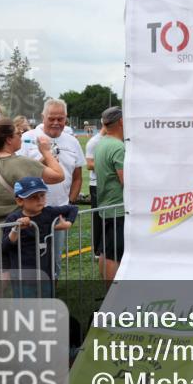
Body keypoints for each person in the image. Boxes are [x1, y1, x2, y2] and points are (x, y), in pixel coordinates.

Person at [0, 119, 64, 295]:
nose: (21, 137)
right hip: (20, 238)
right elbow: (58, 175)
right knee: (26, 290)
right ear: (8, 139)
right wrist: (46, 152)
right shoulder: (23, 163)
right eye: (18, 134)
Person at [18, 99, 83, 279]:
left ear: (66, 119)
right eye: (51, 118)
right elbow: (19, 174)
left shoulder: (72, 142)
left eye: (60, 119)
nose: (56, 123)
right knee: (29, 260)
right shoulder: (27, 138)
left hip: (57, 213)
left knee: (54, 262)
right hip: (29, 214)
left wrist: (69, 202)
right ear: (43, 117)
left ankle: (52, 295)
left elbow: (77, 176)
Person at [1, 177, 77, 297]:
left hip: (46, 272)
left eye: (42, 195)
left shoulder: (49, 212)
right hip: (23, 275)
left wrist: (68, 224)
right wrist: (16, 229)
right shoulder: (13, 219)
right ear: (20, 201)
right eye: (33, 197)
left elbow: (73, 208)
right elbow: (5, 246)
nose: (40, 200)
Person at [93, 107, 125, 284]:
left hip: (106, 205)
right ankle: (112, 293)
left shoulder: (102, 142)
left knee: (106, 251)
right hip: (118, 208)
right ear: (121, 122)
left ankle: (107, 289)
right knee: (115, 253)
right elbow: (125, 180)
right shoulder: (118, 147)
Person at [85, 125, 105, 260]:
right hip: (96, 184)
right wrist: (109, 165)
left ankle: (105, 247)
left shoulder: (118, 139)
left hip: (110, 184)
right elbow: (89, 164)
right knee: (98, 218)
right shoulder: (94, 141)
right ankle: (97, 251)